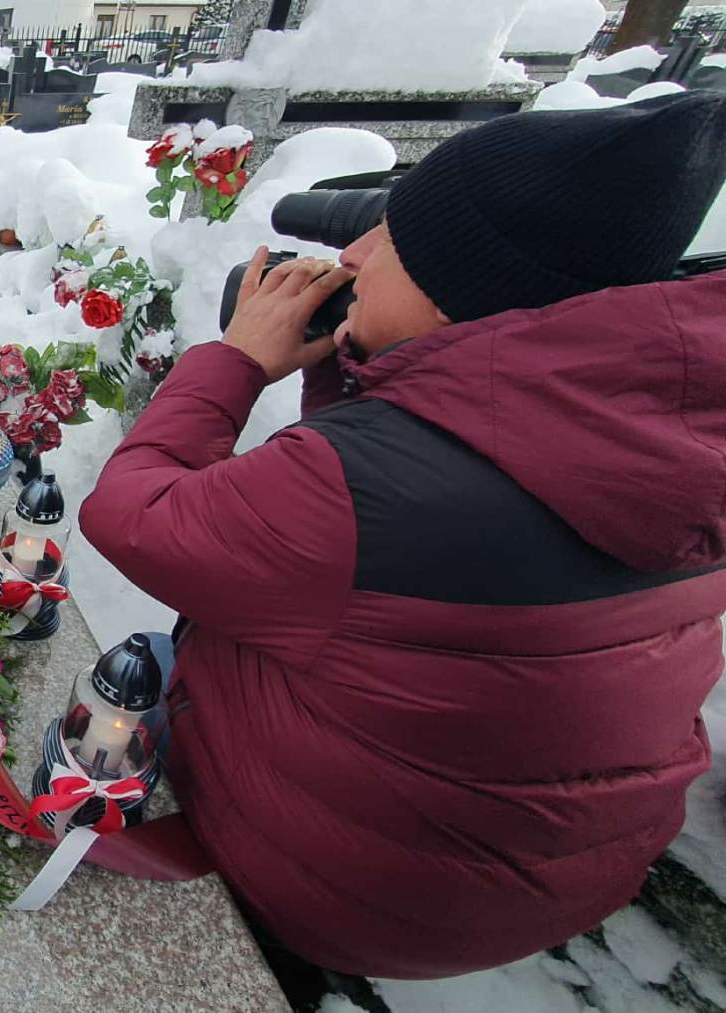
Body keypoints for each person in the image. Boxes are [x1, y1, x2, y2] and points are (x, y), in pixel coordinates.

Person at [80, 91, 726, 978]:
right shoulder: (661, 423)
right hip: (546, 881)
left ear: (459, 292)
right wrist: (376, 367)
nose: (351, 254)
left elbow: (131, 514)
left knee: (129, 673)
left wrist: (235, 360)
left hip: (349, 900)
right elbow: (383, 557)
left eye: (391, 238)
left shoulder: (360, 487)